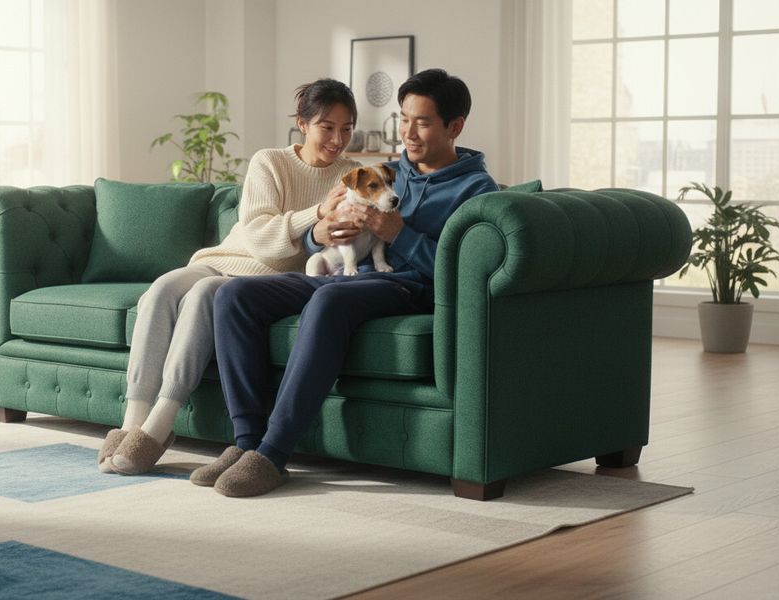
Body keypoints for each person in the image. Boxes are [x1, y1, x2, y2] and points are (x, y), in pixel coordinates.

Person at [195, 68, 500, 497]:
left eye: (423, 122)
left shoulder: (478, 190)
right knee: (234, 295)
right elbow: (326, 227)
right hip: (348, 273)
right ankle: (246, 444)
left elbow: (465, 270)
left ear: (455, 127)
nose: (408, 133)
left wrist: (400, 235)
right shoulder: (385, 172)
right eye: (404, 119)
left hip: (408, 287)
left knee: (330, 300)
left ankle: (273, 453)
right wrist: (318, 234)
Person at [100, 79, 363, 475]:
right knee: (161, 290)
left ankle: (160, 423)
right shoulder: (269, 161)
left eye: (347, 129)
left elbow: (332, 247)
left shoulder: (354, 177)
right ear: (302, 124)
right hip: (226, 258)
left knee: (204, 294)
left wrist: (320, 231)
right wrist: (317, 214)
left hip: (264, 282)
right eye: (327, 127)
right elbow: (257, 236)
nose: (338, 139)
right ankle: (131, 422)